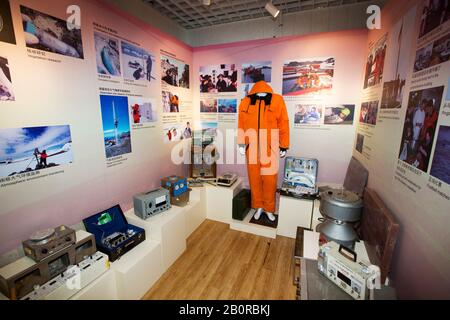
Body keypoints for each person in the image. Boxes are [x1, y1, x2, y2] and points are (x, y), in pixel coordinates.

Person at [238, 81, 290, 223]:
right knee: (254, 178)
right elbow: (241, 123)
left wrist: (283, 145)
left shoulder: (277, 100)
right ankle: (258, 206)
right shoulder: (246, 102)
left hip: (270, 146)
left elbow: (283, 122)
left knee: (269, 179)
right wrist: (241, 143)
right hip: (252, 146)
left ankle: (268, 208)